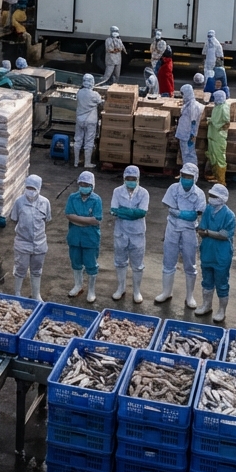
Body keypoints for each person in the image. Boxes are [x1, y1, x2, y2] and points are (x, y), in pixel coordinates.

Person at [156, 163, 209, 307]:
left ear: (195, 177)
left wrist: (180, 213)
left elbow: (196, 214)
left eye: (189, 177)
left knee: (190, 263)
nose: (186, 179)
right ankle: (166, 292)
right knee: (168, 260)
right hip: (172, 228)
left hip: (189, 230)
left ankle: (190, 296)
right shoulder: (173, 188)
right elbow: (170, 207)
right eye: (184, 176)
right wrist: (185, 214)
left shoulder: (199, 194)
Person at [194, 183, 236, 320]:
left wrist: (208, 232)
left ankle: (222, 310)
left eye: (215, 196)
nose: (211, 198)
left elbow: (225, 234)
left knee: (222, 282)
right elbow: (202, 229)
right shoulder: (208, 210)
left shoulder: (229, 215)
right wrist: (210, 232)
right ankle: (206, 305)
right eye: (211, 195)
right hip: (207, 251)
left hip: (222, 254)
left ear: (223, 198)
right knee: (207, 280)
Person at [110, 165, 150, 303]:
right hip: (120, 232)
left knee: (137, 264)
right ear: (124, 178)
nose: (131, 181)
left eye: (133, 178)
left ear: (138, 179)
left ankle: (136, 291)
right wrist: (132, 213)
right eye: (128, 178)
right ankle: (121, 288)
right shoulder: (117, 191)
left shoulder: (144, 193)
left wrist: (123, 211)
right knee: (120, 262)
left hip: (137, 233)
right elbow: (113, 210)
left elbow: (142, 212)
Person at [9, 175, 50, 301]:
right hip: (23, 242)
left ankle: (36, 294)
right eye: (28, 188)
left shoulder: (45, 202)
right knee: (20, 268)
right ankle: (17, 293)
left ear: (39, 188)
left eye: (33, 188)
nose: (30, 191)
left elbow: (47, 219)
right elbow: (14, 219)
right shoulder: (19, 202)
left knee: (37, 269)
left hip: (40, 243)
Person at [65, 171, 104, 303]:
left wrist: (77, 219)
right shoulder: (72, 197)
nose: (84, 187)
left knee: (91, 264)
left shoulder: (96, 200)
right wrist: (86, 220)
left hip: (90, 238)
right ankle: (78, 285)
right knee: (75, 261)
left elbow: (96, 220)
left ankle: (91, 290)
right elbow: (68, 215)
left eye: (86, 185)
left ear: (92, 185)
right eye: (81, 184)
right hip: (74, 236)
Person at [74, 73, 103, 169]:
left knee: (78, 140)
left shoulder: (79, 92)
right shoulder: (95, 94)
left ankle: (76, 162)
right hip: (91, 121)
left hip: (80, 119)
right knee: (89, 141)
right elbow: (101, 104)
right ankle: (87, 163)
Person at [206, 90, 231, 185]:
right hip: (212, 135)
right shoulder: (217, 106)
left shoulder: (224, 108)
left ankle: (221, 181)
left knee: (220, 158)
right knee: (212, 156)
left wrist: (219, 129)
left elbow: (226, 123)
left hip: (218, 137)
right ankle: (216, 175)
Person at [177, 83, 203, 168]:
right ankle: (186, 170)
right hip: (184, 134)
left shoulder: (193, 106)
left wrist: (193, 134)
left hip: (188, 135)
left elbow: (193, 121)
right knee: (185, 154)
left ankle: (191, 170)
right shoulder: (188, 104)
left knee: (189, 154)